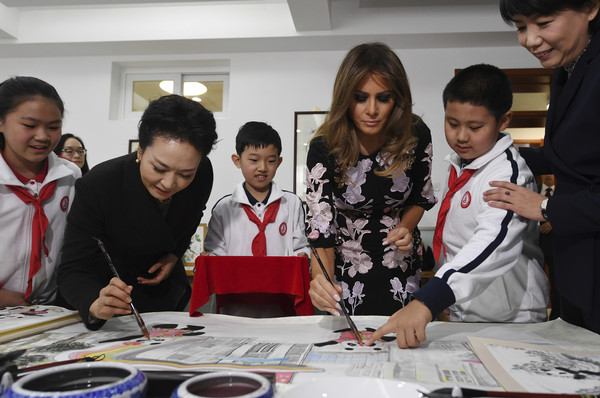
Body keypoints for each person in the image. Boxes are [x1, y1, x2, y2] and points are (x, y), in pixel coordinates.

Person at [368, 64, 549, 348]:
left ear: (504, 121)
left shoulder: (505, 174)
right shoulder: (465, 163)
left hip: (510, 319)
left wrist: (429, 299)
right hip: (470, 311)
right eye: (452, 124)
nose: (461, 136)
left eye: (475, 127)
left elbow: (492, 244)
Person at [57, 94, 218, 330]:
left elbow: (193, 214)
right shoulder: (99, 185)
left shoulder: (202, 172)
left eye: (185, 174)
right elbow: (72, 268)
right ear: (140, 151)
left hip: (164, 299)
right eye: (159, 168)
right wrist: (95, 302)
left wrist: (175, 253)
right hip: (110, 303)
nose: (169, 183)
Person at [488, 0, 600, 334]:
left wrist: (545, 206)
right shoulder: (568, 67)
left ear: (591, 7)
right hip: (576, 263)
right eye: (521, 27)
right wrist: (495, 151)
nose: (531, 40)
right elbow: (567, 155)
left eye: (545, 23)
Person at [306, 42, 436, 317]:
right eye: (361, 97)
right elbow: (321, 229)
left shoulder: (416, 134)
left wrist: (406, 227)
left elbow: (421, 197)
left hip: (399, 264)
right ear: (345, 98)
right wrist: (322, 283)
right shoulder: (324, 146)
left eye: (384, 98)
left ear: (398, 98)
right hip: (344, 267)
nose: (372, 110)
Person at [202, 121, 309, 317]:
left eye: (270, 160)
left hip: (281, 302)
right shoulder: (224, 208)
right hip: (235, 304)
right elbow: (215, 253)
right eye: (253, 160)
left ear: (279, 162)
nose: (262, 168)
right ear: (237, 160)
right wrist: (211, 260)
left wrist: (303, 257)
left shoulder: (292, 203)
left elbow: (301, 247)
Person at [0, 76, 80, 307]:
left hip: (48, 309)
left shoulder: (70, 176)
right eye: (30, 126)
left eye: (54, 127)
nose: (43, 136)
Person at [538, 174, 560, 320]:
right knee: (536, 281)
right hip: (533, 244)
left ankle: (556, 316)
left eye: (550, 173)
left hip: (554, 246)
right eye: (545, 174)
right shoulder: (533, 189)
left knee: (556, 283)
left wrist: (554, 222)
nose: (547, 176)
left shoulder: (561, 193)